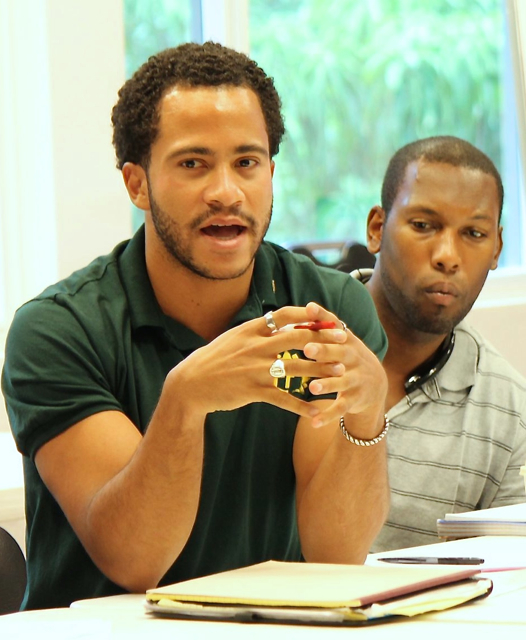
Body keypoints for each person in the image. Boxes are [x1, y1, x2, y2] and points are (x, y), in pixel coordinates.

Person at [1, 42, 389, 610]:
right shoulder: (58, 331)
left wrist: (367, 407)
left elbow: (336, 555)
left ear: (271, 175)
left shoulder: (329, 310)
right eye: (193, 164)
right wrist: (185, 400)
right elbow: (135, 561)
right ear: (137, 184)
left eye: (247, 163)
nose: (226, 192)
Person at [352, 136, 526, 552]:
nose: (448, 256)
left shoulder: (507, 411)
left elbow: (506, 581)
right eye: (424, 225)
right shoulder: (296, 340)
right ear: (377, 229)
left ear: (497, 247)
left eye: (474, 233)